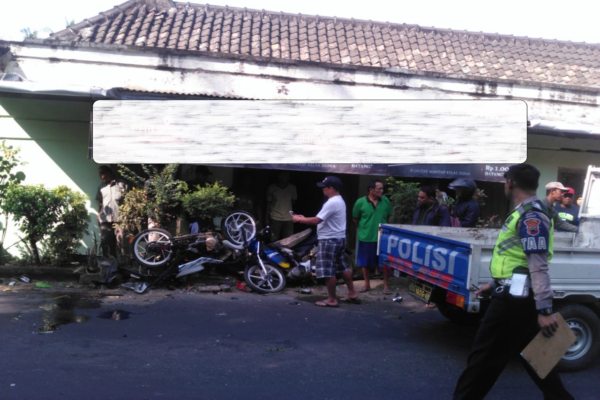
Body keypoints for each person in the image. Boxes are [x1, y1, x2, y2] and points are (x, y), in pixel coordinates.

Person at [453, 163, 573, 400]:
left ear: (511, 183)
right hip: (515, 294)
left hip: (513, 302)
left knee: (482, 361)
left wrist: (545, 309)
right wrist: (494, 283)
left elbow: (537, 265)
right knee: (538, 358)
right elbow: (514, 259)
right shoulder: (525, 211)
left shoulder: (531, 216)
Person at [292, 176, 358, 307]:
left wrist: (299, 219)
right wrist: (304, 218)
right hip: (339, 238)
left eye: (325, 187)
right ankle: (352, 293)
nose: (323, 190)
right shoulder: (340, 200)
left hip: (329, 240)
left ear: (332, 188)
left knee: (328, 270)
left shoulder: (332, 202)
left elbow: (317, 220)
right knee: (342, 266)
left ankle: (332, 299)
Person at [352, 179, 393, 294]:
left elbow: (389, 217)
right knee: (364, 263)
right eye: (379, 188)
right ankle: (367, 285)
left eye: (382, 188)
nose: (382, 191)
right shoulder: (360, 202)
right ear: (371, 190)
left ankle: (386, 285)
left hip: (382, 237)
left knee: (384, 262)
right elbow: (355, 218)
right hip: (365, 237)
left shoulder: (386, 201)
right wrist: (365, 228)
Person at [96, 165, 128, 258]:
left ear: (109, 173)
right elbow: (100, 203)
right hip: (105, 220)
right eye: (100, 174)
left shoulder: (121, 184)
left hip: (119, 219)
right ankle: (107, 262)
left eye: (103, 174)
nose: (102, 177)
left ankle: (121, 263)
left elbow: (127, 200)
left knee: (120, 242)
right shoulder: (101, 187)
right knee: (105, 241)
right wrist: (98, 216)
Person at [266, 172, 297, 241]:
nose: (284, 177)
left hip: (288, 218)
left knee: (289, 240)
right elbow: (269, 203)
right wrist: (267, 218)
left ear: (289, 177)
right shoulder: (272, 187)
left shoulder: (292, 188)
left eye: (286, 175)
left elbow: (293, 202)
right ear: (278, 176)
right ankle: (273, 251)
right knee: (273, 239)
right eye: (282, 175)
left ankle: (286, 252)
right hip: (275, 217)